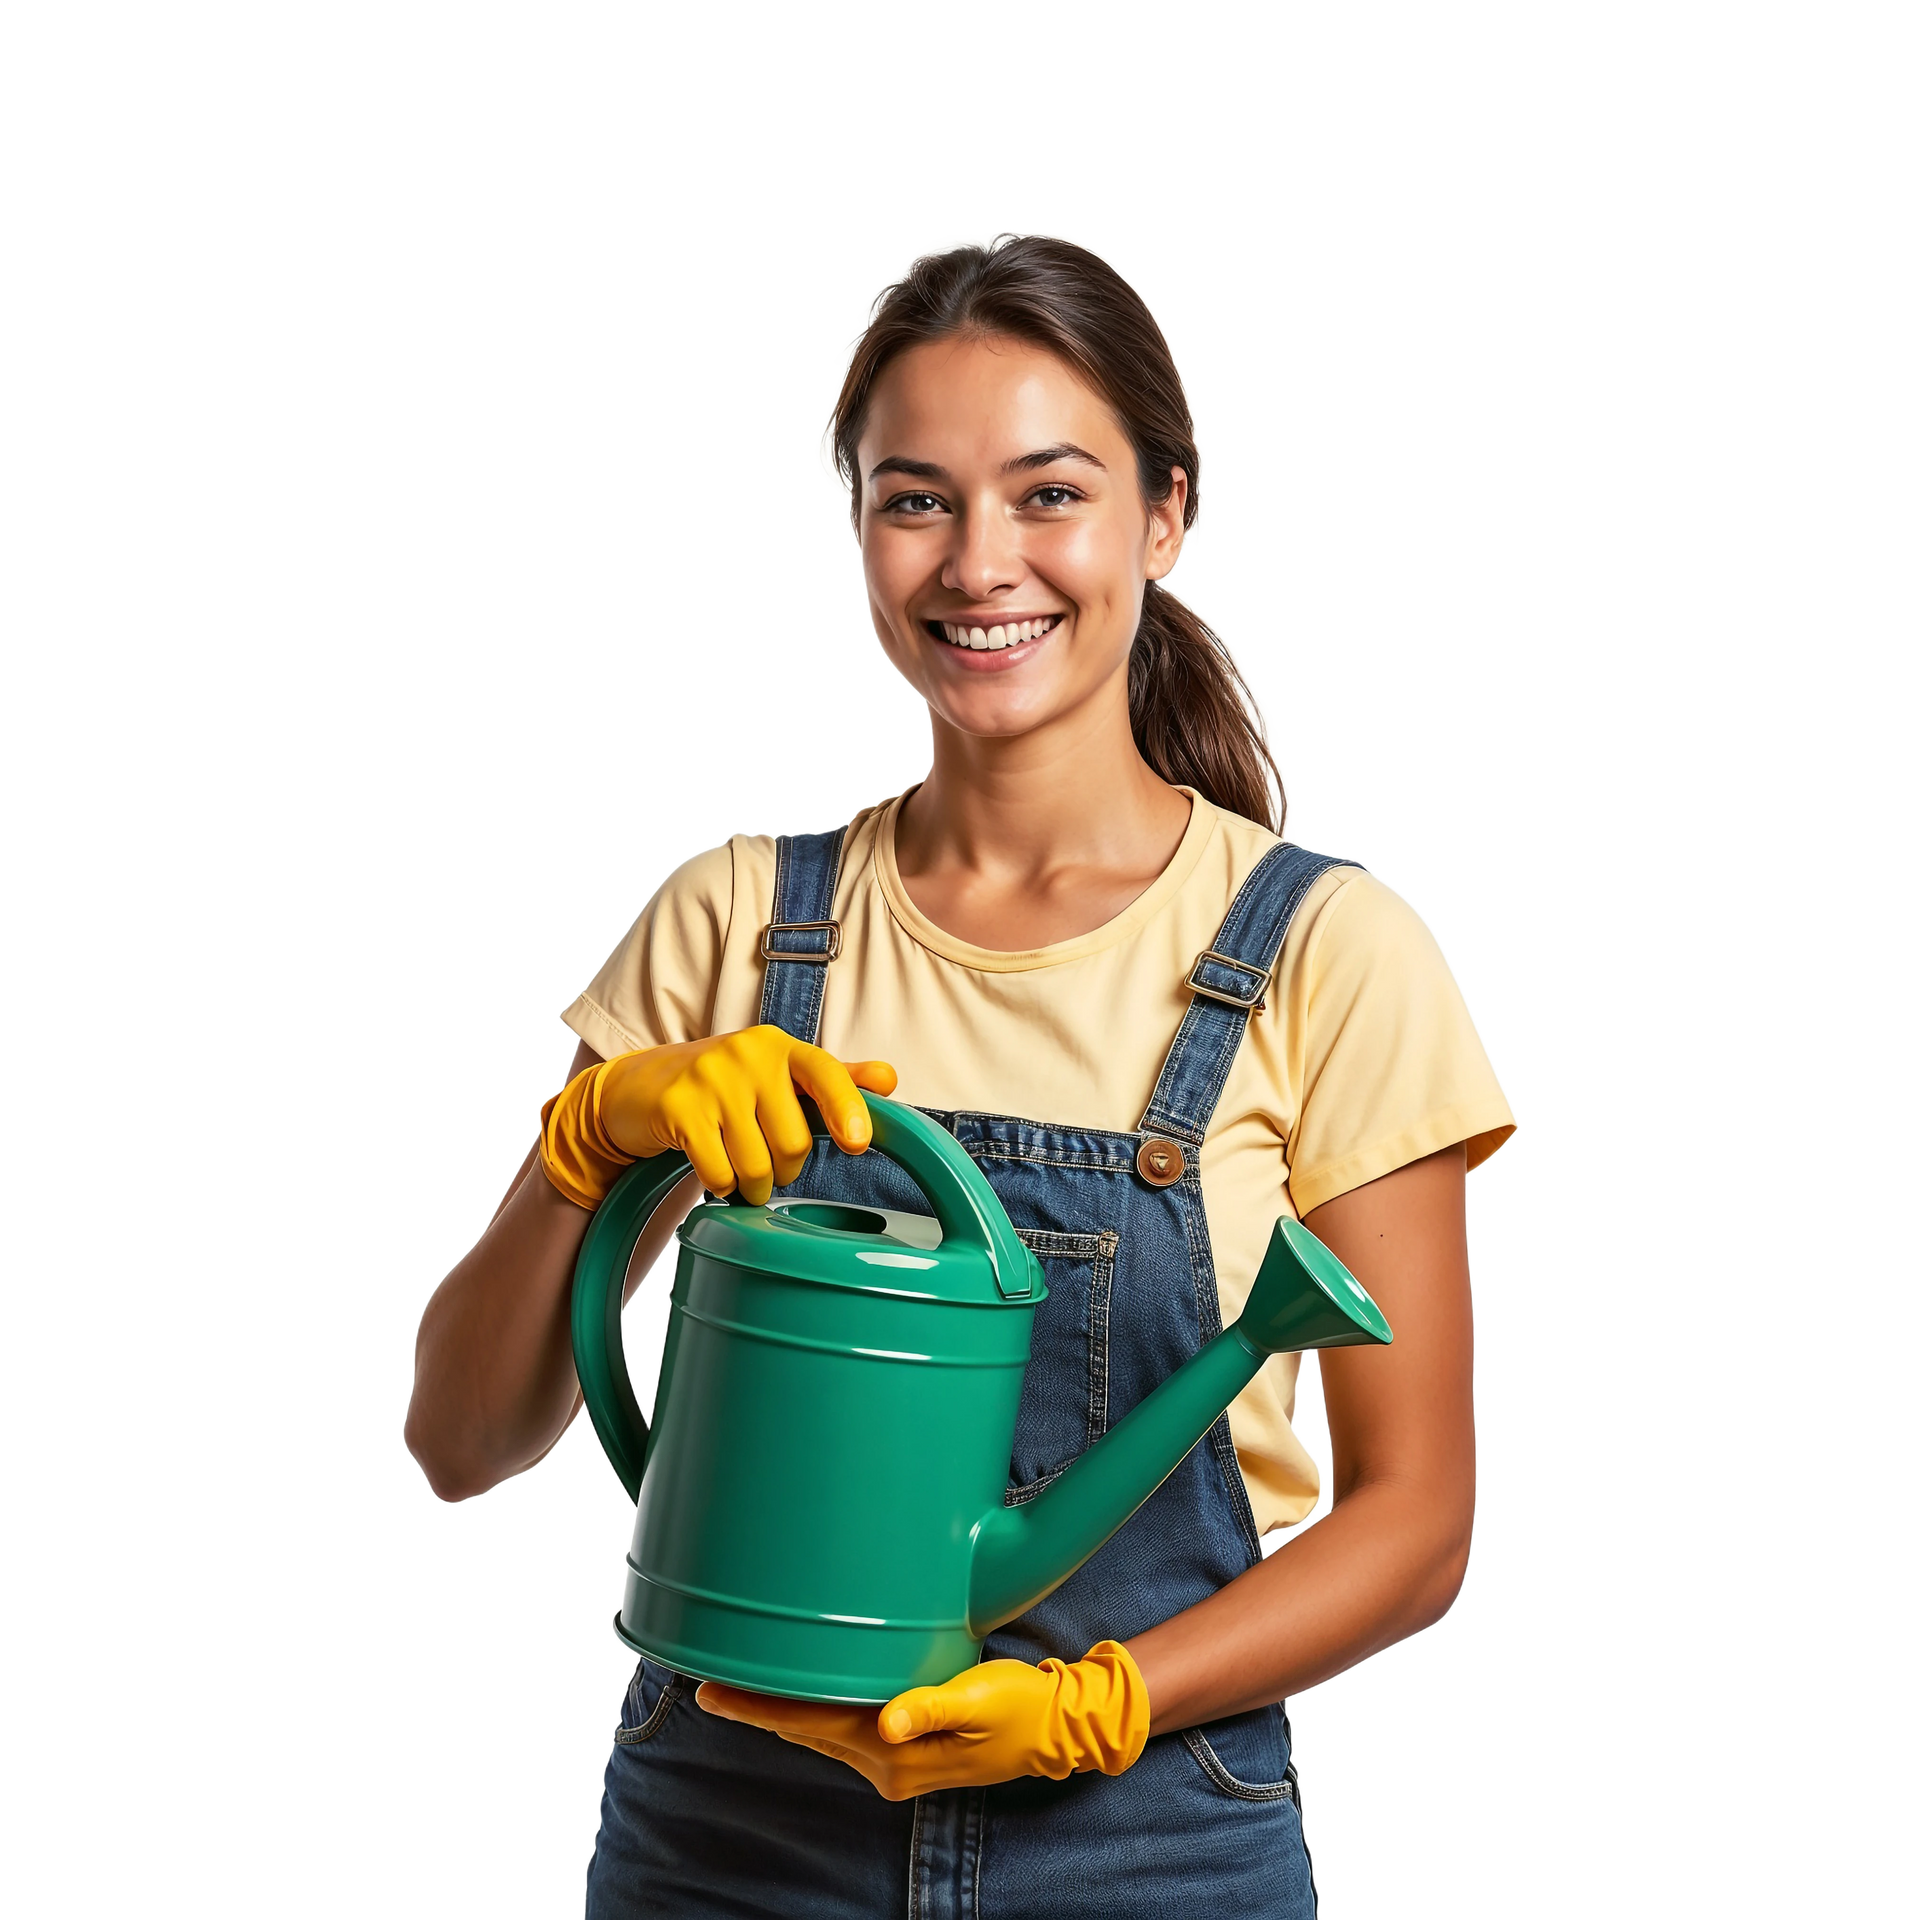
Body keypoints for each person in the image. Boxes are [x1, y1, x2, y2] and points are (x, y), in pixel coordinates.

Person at [403, 229, 1520, 1918]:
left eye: (1049, 493)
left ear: (1169, 512)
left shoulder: (1325, 951)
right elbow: (461, 1441)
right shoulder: (733, 922)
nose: (979, 561)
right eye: (915, 497)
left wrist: (1100, 1705)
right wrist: (586, 1154)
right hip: (728, 1841)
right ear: (857, 524)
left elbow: (1418, 1521)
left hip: (1155, 1844)